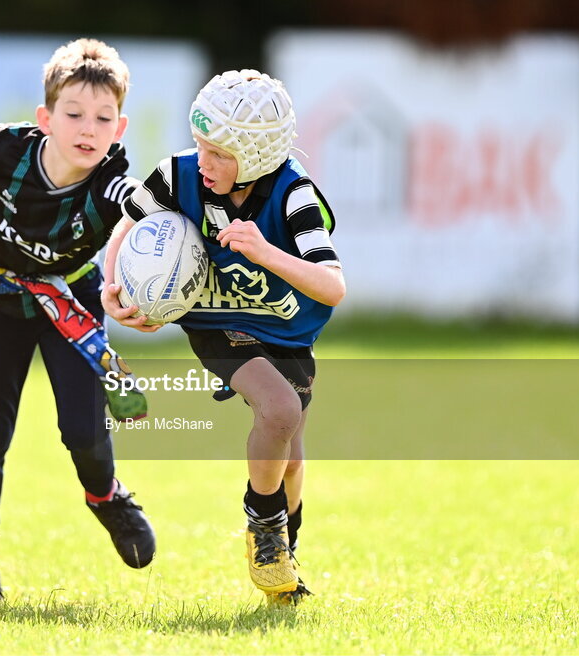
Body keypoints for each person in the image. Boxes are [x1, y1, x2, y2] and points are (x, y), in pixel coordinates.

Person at [0, 38, 155, 600]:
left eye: (103, 118)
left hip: (70, 303)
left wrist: (135, 293)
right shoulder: (12, 151)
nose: (87, 128)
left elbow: (140, 216)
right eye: (73, 114)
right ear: (46, 119)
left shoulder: (112, 181)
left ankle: (105, 496)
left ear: (119, 128)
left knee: (82, 429)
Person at [102, 70, 345, 604]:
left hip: (287, 332)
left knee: (292, 454)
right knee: (279, 411)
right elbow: (128, 224)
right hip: (216, 323)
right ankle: (262, 528)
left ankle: (283, 553)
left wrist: (264, 251)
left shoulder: (294, 196)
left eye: (218, 153)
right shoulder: (179, 176)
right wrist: (111, 287)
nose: (202, 162)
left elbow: (332, 287)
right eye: (200, 145)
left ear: (257, 156)